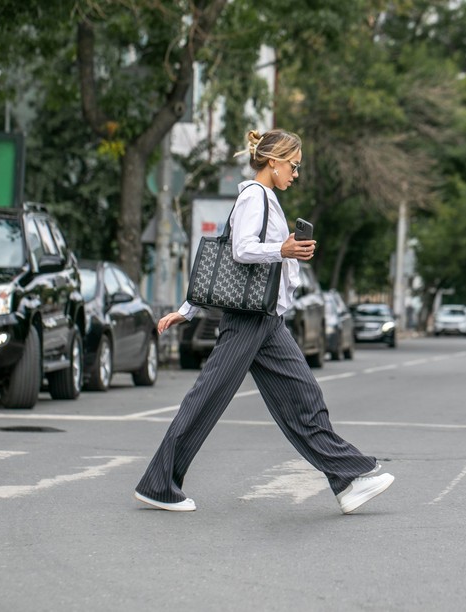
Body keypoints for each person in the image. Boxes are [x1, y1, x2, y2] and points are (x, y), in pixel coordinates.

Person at [134, 128, 394, 514]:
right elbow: (238, 251)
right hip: (248, 319)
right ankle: (159, 484)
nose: (296, 173)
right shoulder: (255, 196)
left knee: (304, 397)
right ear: (273, 161)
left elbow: (234, 259)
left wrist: (284, 251)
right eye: (293, 165)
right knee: (206, 399)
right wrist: (283, 248)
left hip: (268, 321)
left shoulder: (266, 198)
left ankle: (349, 479)